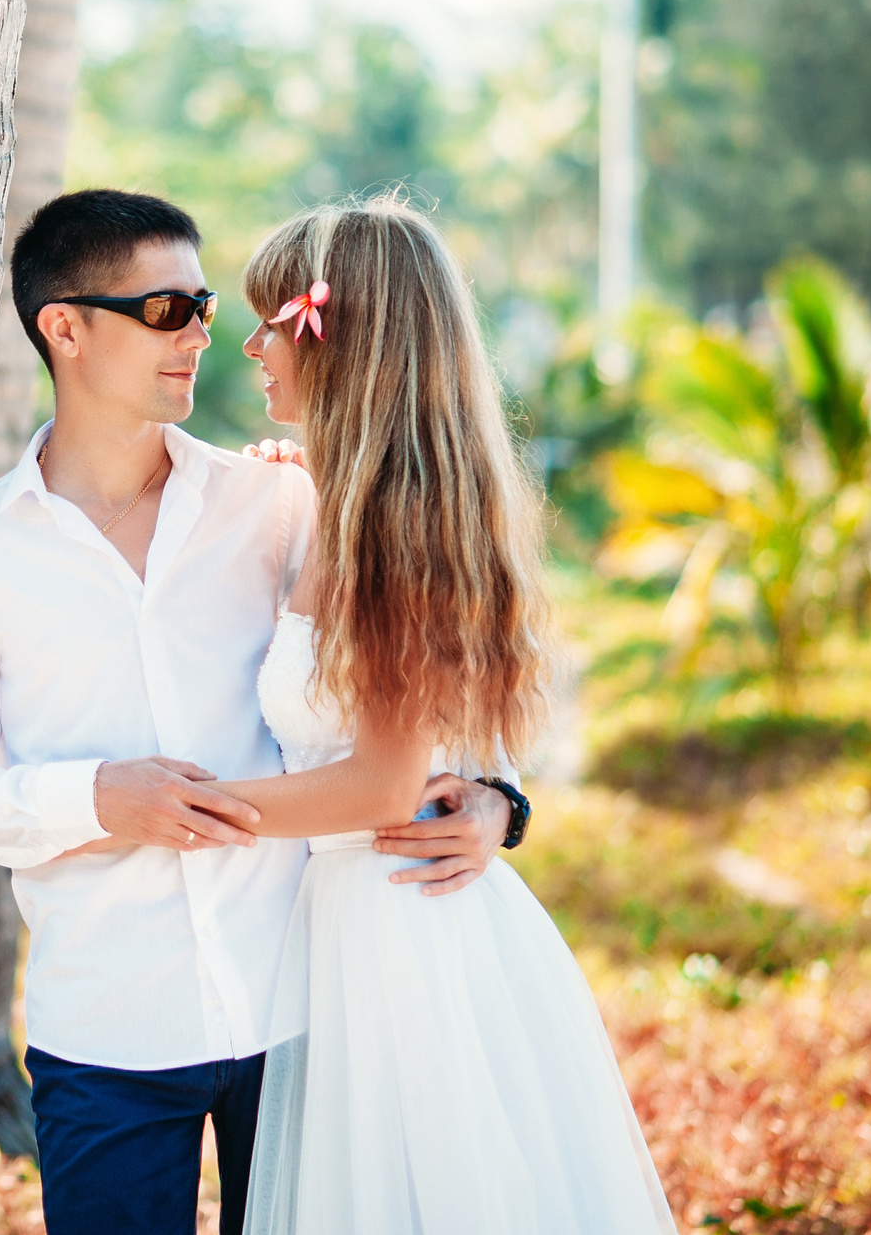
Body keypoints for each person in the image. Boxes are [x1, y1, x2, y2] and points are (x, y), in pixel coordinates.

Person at [0, 189, 520, 1235]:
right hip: (107, 1026)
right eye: (166, 308)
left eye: (203, 305)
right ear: (66, 326)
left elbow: (420, 675)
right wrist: (97, 797)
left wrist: (499, 797)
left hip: (304, 1010)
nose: (202, 332)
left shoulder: (281, 501)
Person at [213, 195, 676, 1235]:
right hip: (357, 910)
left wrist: (167, 802)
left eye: (270, 321)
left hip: (392, 924)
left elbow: (381, 783)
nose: (249, 346)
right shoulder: (335, 501)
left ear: (339, 337)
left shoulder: (395, 528)